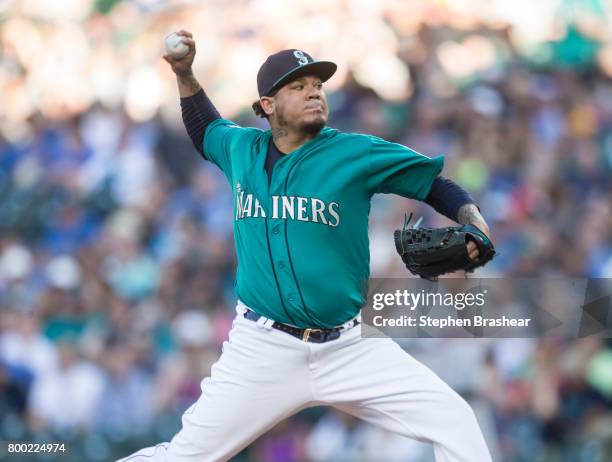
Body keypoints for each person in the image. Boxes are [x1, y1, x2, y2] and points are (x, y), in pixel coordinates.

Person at [119, 31, 492, 462]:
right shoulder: (242, 148)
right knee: (185, 456)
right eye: (298, 86)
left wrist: (474, 218)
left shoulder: (354, 152)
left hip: (350, 348)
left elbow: (433, 184)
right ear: (268, 106)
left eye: (317, 85)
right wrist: (184, 74)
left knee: (455, 421)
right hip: (263, 348)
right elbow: (206, 130)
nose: (314, 92)